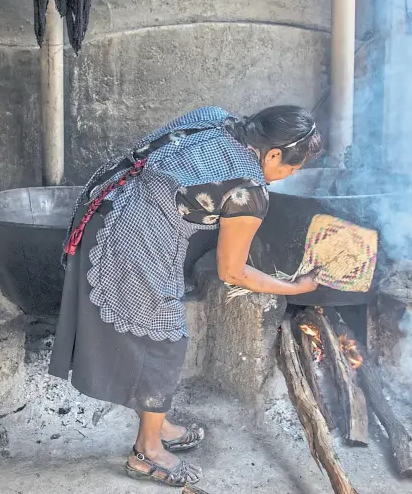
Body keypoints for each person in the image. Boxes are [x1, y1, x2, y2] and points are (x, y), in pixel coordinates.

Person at [49, 104, 323, 487]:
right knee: (166, 340)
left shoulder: (216, 117)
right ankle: (146, 452)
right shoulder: (249, 191)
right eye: (290, 169)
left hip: (107, 198)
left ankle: (158, 425)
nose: (285, 177)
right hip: (132, 232)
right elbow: (232, 272)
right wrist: (295, 287)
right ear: (274, 154)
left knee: (153, 334)